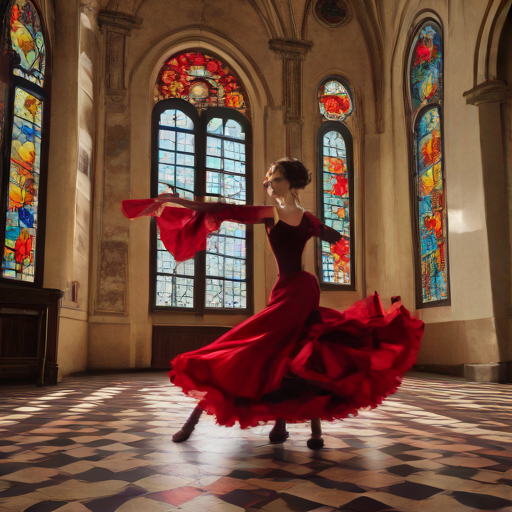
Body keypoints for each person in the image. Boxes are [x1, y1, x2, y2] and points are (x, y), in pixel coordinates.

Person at [121, 158, 424, 449]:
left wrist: (334, 236)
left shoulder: (308, 218)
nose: (269, 182)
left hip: (304, 289)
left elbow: (336, 237)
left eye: (276, 177)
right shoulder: (270, 213)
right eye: (268, 178)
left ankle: (197, 423)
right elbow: (220, 209)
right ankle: (285, 426)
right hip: (285, 291)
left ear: (291, 182)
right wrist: (177, 202)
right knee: (284, 352)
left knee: (271, 349)